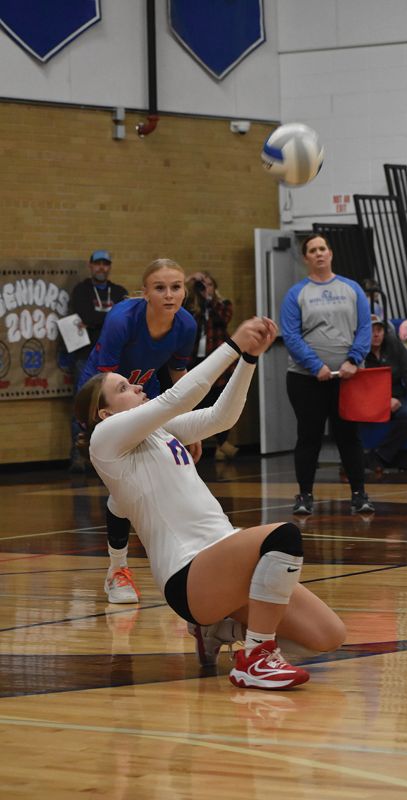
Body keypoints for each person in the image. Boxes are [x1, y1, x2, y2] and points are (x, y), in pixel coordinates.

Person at [74, 316, 346, 690]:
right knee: (282, 537)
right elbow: (177, 398)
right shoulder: (104, 438)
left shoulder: (159, 432)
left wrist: (249, 359)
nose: (136, 386)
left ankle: (220, 630)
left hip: (222, 561)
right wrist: (233, 346)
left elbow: (222, 417)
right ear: (103, 413)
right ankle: (256, 657)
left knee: (329, 635)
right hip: (187, 573)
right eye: (123, 387)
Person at [77, 258, 198, 604]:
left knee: (163, 477)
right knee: (125, 487)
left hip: (145, 391)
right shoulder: (121, 320)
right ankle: (118, 570)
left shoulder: (186, 325)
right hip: (107, 395)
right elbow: (108, 384)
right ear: (144, 292)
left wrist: (191, 426)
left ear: (184, 291)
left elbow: (179, 377)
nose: (169, 294)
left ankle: (184, 564)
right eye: (160, 288)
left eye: (176, 287)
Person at [280, 234, 374, 516]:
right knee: (308, 437)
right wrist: (315, 366)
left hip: (347, 377)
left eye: (323, 248)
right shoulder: (296, 293)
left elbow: (365, 328)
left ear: (330, 253)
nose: (319, 253)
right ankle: (304, 496)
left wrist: (354, 360)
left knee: (349, 437)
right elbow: (291, 335)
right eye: (313, 250)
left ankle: (359, 494)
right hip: (305, 379)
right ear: (306, 258)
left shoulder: (352, 288)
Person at [68, 250, 128, 472]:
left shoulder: (119, 291)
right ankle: (79, 455)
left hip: (114, 356)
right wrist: (109, 318)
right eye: (98, 263)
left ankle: (113, 455)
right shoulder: (82, 290)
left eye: (105, 263)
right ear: (91, 265)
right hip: (86, 356)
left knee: (116, 404)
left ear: (109, 266)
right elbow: (86, 315)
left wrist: (95, 321)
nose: (101, 267)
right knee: (83, 404)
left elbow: (124, 320)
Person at [184, 270, 238, 461]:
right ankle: (195, 441)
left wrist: (209, 299)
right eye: (202, 285)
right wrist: (188, 282)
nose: (205, 288)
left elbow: (223, 319)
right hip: (194, 361)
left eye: (209, 284)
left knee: (220, 401)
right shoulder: (192, 305)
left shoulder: (222, 304)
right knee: (197, 401)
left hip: (218, 361)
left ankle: (221, 443)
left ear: (215, 287)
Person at [364, 314, 407, 474]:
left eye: (379, 330)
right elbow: (360, 384)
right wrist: (382, 400)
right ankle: (351, 460)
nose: (376, 334)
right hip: (366, 400)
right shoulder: (358, 350)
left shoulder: (393, 344)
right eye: (371, 331)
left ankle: (379, 456)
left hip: (396, 397)